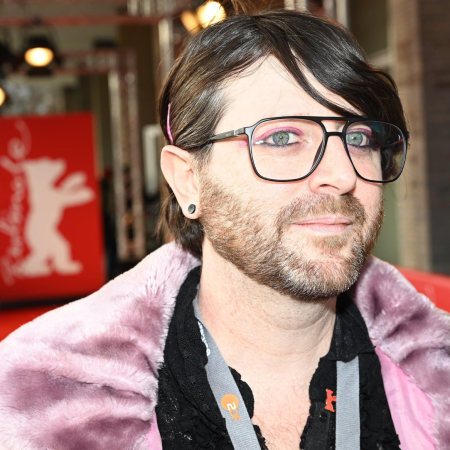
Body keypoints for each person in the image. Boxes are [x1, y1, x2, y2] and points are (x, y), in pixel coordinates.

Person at [0, 7, 448, 450]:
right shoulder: (42, 405)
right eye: (281, 138)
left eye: (358, 138)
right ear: (187, 179)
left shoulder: (437, 374)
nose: (343, 175)